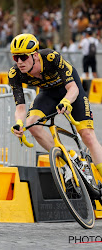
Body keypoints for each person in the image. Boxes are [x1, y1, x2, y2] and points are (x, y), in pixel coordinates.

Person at [8, 33, 102, 179]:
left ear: (35, 55)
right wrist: (19, 123)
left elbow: (73, 89)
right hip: (48, 93)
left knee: (88, 135)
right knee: (31, 124)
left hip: (70, 89)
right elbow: (20, 107)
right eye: (15, 57)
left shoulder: (51, 58)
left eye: (23, 57)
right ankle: (68, 160)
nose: (19, 62)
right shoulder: (15, 74)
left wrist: (66, 101)